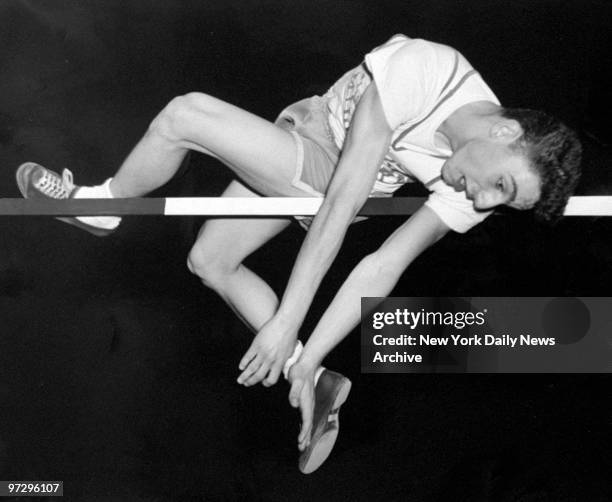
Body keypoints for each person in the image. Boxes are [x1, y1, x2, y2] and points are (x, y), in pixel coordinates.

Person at [15, 34, 582, 473]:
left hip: (323, 178)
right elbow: (343, 204)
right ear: (505, 133)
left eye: (500, 202)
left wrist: (289, 320)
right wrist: (306, 355)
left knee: (185, 115)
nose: (482, 201)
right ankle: (314, 381)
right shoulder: (428, 74)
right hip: (312, 145)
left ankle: (104, 203)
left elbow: (380, 259)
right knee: (211, 261)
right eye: (500, 187)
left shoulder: (466, 185)